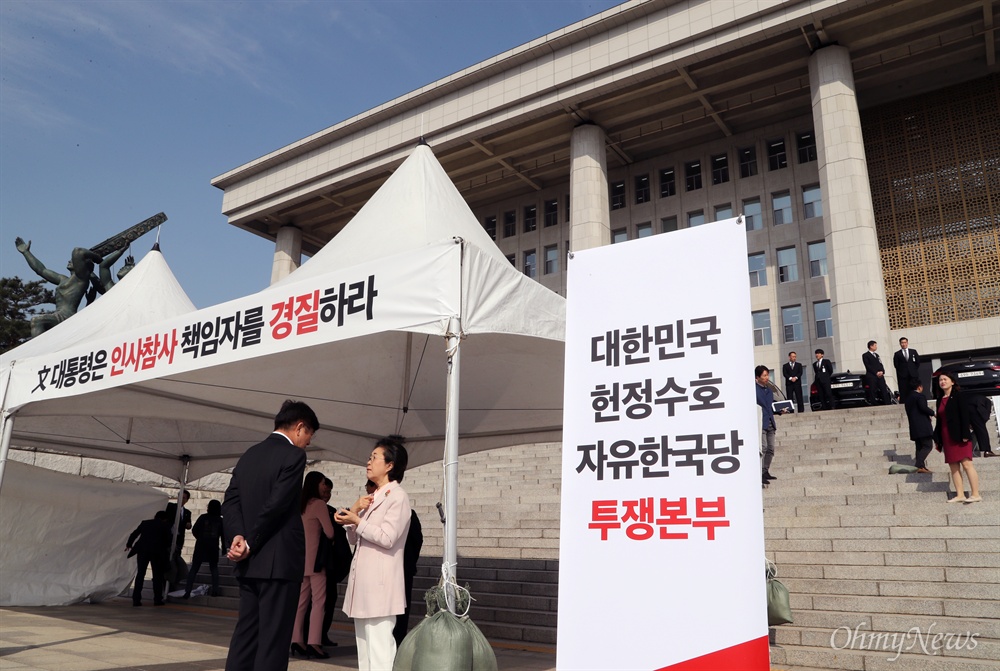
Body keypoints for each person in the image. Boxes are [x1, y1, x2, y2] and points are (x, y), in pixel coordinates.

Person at [222, 400, 318, 671]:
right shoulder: (294, 456)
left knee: (246, 635)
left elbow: (230, 501)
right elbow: (277, 504)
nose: (308, 443)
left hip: (249, 563)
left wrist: (238, 537)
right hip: (278, 563)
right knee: (273, 641)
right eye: (310, 435)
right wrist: (250, 542)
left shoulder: (249, 454)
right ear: (300, 427)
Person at [335, 437, 412, 671]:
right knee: (365, 652)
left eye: (374, 458)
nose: (368, 462)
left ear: (390, 465)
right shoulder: (373, 497)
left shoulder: (398, 497)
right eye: (369, 458)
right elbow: (355, 539)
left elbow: (387, 538)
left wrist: (357, 520)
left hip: (380, 586)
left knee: (380, 653)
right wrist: (354, 513)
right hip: (364, 585)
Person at [14, 238, 104, 337]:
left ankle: (38, 350)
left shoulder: (81, 279)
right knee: (40, 323)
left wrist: (97, 258)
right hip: (57, 315)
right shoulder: (63, 279)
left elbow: (78, 251)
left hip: (66, 317)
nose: (70, 261)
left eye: (73, 261)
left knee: (37, 321)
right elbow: (41, 270)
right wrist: (26, 253)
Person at [290, 471, 335, 659]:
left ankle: (296, 639)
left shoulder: (300, 504)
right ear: (316, 483)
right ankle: (314, 642)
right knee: (319, 602)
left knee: (300, 603)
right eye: (323, 483)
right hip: (316, 561)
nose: (325, 486)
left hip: (300, 560)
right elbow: (330, 532)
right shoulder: (318, 505)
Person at [933, 373, 981, 503]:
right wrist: (937, 439)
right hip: (946, 436)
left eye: (945, 379)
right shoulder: (939, 399)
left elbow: (965, 416)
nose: (942, 382)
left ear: (952, 382)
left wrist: (965, 434)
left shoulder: (959, 396)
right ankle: (960, 494)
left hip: (960, 435)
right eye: (940, 380)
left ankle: (975, 494)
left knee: (966, 464)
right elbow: (940, 421)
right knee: (953, 466)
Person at [318, 476, 352, 647]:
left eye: (329, 492)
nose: (327, 495)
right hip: (314, 567)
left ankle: (321, 635)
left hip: (329, 568)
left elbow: (341, 545)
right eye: (324, 491)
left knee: (329, 601)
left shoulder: (333, 513)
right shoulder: (304, 510)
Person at [126, 510, 171, 607]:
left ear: (155, 516)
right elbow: (168, 540)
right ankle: (157, 599)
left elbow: (134, 534)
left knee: (140, 574)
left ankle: (136, 599)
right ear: (165, 519)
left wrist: (129, 544)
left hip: (143, 550)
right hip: (157, 552)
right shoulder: (165, 526)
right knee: (157, 576)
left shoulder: (145, 523)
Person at [393, 507, 423, 647]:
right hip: (401, 568)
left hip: (403, 568)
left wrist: (409, 561)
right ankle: (397, 641)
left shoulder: (408, 513)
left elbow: (417, 539)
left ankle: (398, 640)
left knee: (401, 607)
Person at [184, 499, 225, 598]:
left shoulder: (203, 517)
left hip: (201, 545)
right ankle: (215, 590)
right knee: (214, 568)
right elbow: (223, 535)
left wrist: (200, 538)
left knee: (194, 568)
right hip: (213, 546)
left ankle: (188, 591)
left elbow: (194, 530)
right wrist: (224, 548)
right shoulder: (220, 520)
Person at [755, 366, 785, 485]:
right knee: (763, 447)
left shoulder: (768, 390)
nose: (767, 377)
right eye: (764, 375)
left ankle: (765, 470)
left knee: (771, 449)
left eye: (768, 375)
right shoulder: (753, 390)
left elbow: (771, 405)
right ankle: (758, 473)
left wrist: (779, 410)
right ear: (757, 377)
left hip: (771, 422)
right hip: (761, 422)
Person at [904, 383, 935, 473]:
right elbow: (923, 407)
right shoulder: (920, 396)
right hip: (923, 426)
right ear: (919, 387)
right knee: (927, 446)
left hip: (914, 426)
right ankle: (919, 464)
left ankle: (921, 467)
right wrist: (933, 413)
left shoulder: (908, 398)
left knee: (919, 447)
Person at [862, 340, 893, 405]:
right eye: (875, 345)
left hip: (880, 375)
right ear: (871, 346)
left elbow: (880, 364)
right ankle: (874, 402)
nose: (876, 347)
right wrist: (876, 372)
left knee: (883, 388)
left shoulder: (877, 355)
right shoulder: (865, 355)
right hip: (872, 376)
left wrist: (882, 371)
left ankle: (887, 402)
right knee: (872, 389)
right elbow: (868, 366)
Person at [966, 394, 996, 458]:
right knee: (982, 430)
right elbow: (985, 416)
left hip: (967, 405)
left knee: (979, 430)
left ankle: (982, 449)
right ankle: (986, 450)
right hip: (975, 406)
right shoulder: (986, 403)